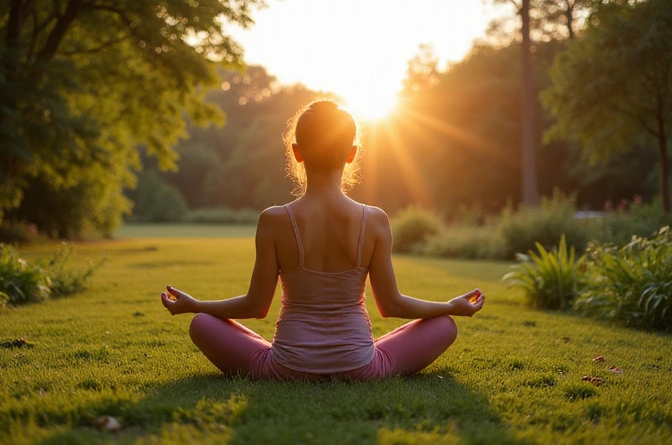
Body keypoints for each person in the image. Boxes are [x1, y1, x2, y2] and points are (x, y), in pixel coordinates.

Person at [160, 100, 485, 381]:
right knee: (444, 324)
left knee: (202, 324)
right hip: (361, 366)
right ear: (352, 154)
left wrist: (195, 305)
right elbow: (392, 305)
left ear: (297, 153)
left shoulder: (273, 220)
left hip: (287, 367)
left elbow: (256, 307)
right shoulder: (374, 220)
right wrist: (450, 306)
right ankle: (374, 355)